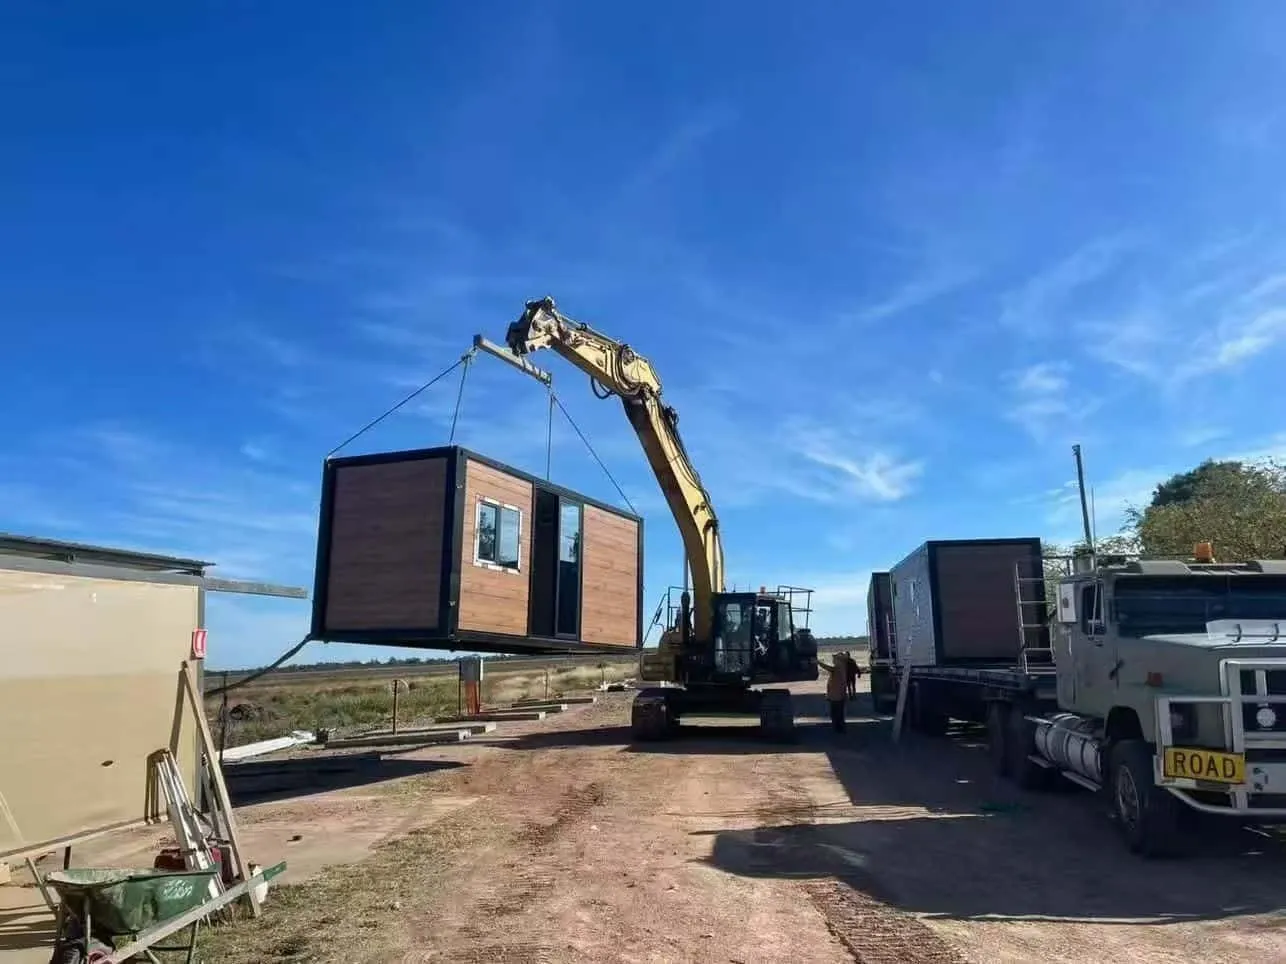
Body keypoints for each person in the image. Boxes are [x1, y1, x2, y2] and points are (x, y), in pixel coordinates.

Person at [819, 656, 849, 733]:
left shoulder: (838, 669)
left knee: (836, 713)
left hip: (836, 696)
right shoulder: (840, 668)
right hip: (837, 695)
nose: (833, 660)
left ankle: (839, 728)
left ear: (839, 661)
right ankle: (839, 728)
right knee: (839, 713)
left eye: (835, 659)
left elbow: (828, 668)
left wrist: (818, 662)